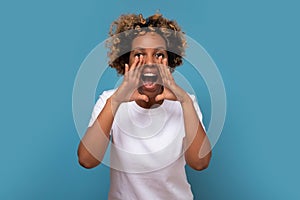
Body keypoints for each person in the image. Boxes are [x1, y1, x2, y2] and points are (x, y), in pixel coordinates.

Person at [77, 13, 212, 200]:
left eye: (159, 55)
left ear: (170, 61)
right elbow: (86, 160)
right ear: (127, 62)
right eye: (139, 55)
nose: (149, 63)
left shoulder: (186, 102)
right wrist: (116, 101)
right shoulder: (109, 100)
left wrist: (185, 102)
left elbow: (199, 162)